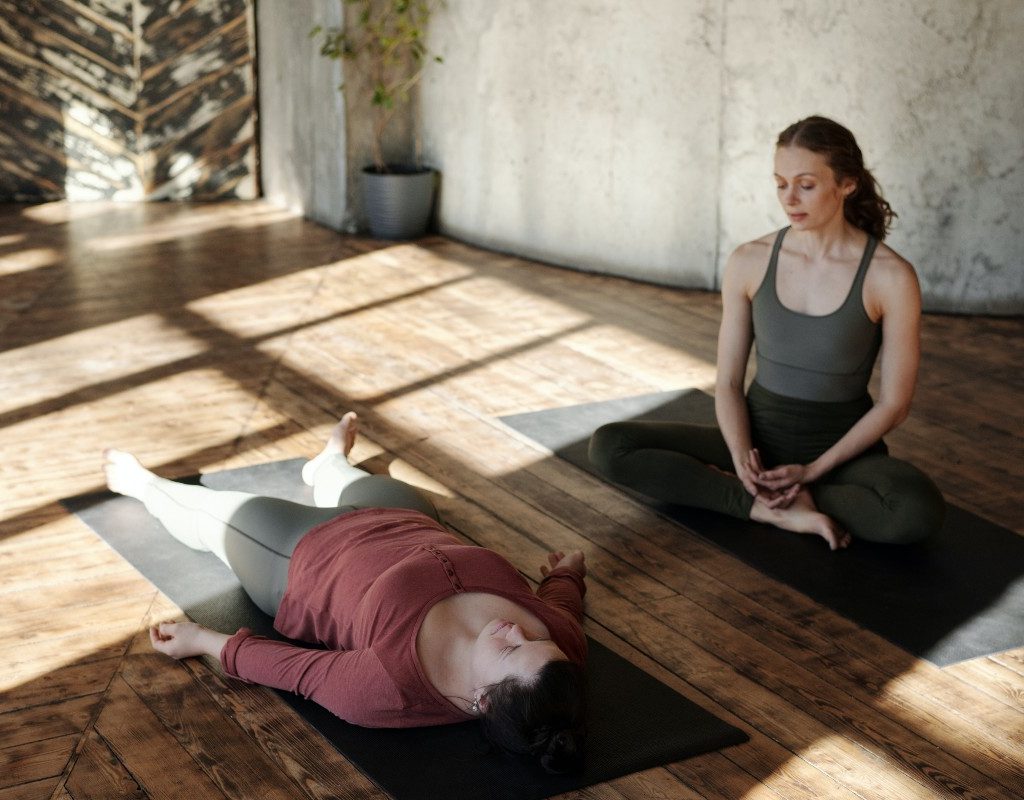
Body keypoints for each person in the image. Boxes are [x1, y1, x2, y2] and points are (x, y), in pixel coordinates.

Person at [104, 412, 588, 773]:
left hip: (298, 554)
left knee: (206, 513)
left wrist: (204, 641)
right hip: (406, 516)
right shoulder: (558, 650)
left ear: (483, 700)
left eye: (510, 649)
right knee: (354, 480)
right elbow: (560, 608)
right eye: (535, 638)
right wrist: (567, 575)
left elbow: (298, 671)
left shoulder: (387, 689)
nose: (518, 630)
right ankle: (329, 464)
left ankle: (142, 484)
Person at [589, 115, 945, 550]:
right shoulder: (750, 260)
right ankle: (762, 506)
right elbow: (728, 382)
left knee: (914, 511)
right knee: (611, 445)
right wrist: (742, 460)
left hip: (841, 454)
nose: (789, 198)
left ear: (847, 184)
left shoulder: (890, 276)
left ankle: (804, 495)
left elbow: (894, 404)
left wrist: (812, 471)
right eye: (780, 184)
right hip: (758, 441)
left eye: (806, 185)